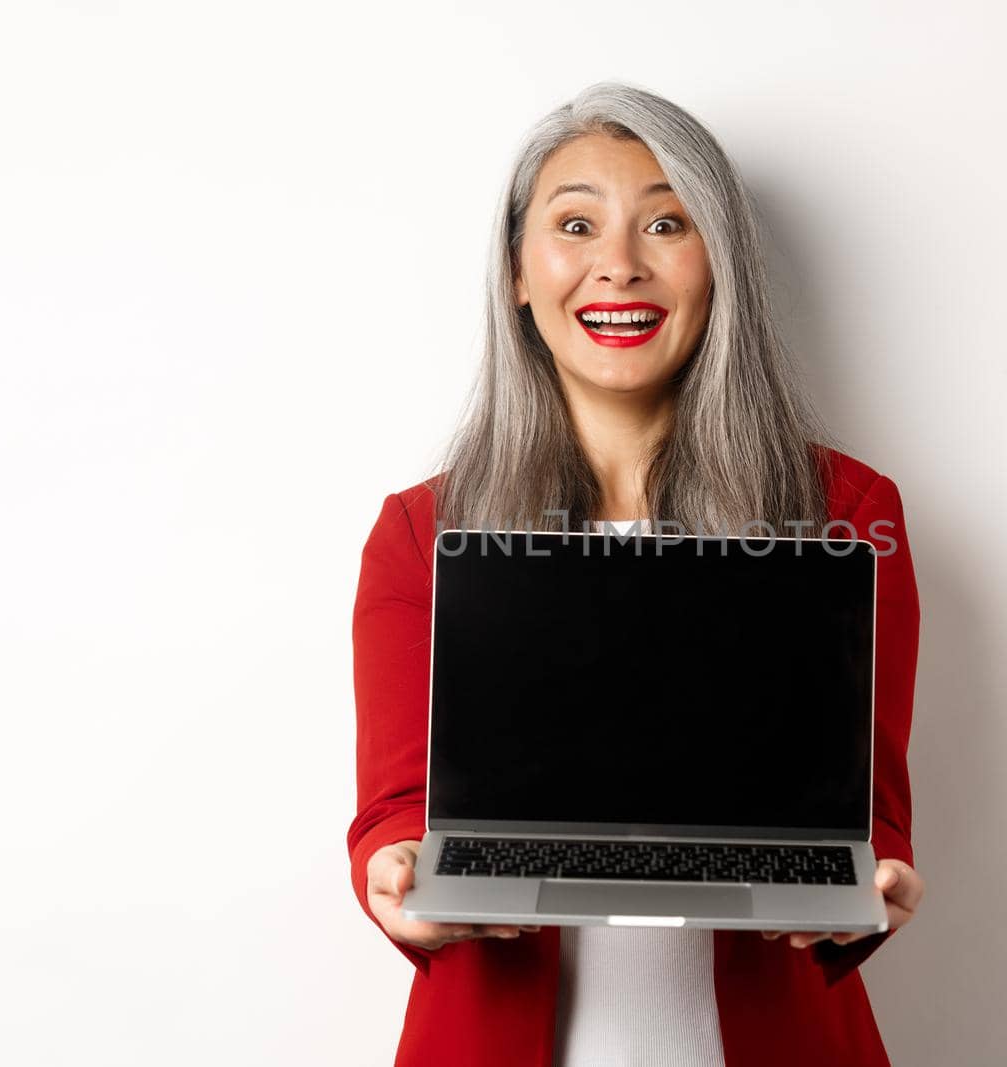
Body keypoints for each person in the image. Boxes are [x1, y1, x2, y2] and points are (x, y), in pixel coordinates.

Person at [347, 81, 926, 1066]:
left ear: (721, 266)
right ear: (518, 273)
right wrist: (398, 872)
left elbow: (864, 817)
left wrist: (870, 881)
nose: (618, 265)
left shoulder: (849, 514)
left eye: (667, 222)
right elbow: (398, 808)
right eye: (575, 223)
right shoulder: (420, 531)